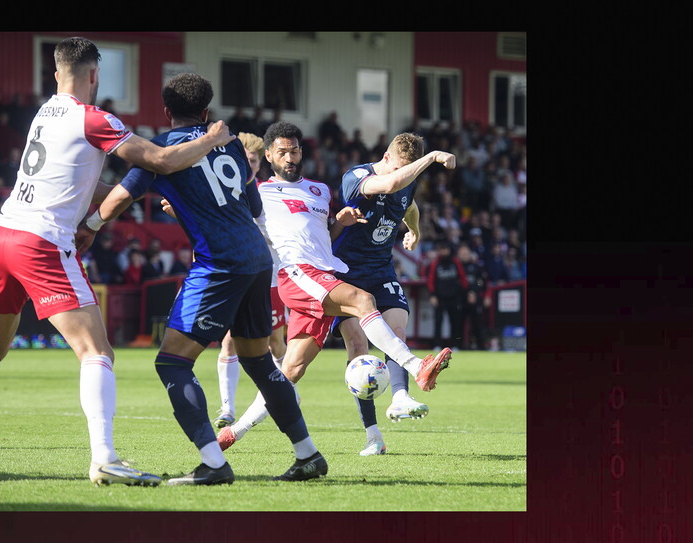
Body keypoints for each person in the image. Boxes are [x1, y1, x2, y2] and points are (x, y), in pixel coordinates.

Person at [0, 37, 235, 487]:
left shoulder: (42, 114)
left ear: (55, 73)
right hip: (40, 243)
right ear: (94, 75)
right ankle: (105, 457)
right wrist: (212, 139)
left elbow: (77, 181)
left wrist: (104, 210)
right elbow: (161, 160)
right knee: (98, 352)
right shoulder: (94, 118)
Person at [75, 73, 327, 485]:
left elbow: (124, 193)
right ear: (206, 112)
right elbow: (249, 201)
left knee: (172, 362)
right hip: (256, 257)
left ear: (167, 111)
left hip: (219, 262)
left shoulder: (162, 148)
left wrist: (91, 225)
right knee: (259, 361)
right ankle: (308, 454)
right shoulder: (226, 142)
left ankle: (214, 464)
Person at [217, 123, 455, 455]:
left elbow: (325, 240)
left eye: (295, 150)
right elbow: (222, 215)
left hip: (323, 272)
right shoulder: (259, 193)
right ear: (269, 155)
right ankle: (416, 367)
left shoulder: (319, 191)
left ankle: (234, 432)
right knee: (362, 299)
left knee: (291, 370)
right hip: (297, 274)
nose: (290, 156)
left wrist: (339, 223)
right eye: (282, 151)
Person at [209, 132, 288, 430]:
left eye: (251, 160)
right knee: (229, 340)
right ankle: (227, 409)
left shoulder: (268, 193)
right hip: (237, 274)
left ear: (259, 162)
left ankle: (282, 391)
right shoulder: (223, 190)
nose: (246, 165)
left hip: (269, 276)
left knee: (274, 341)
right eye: (243, 159)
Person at [425, 239, 468, 350]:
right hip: (440, 297)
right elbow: (431, 280)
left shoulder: (455, 262)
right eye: (441, 249)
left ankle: (456, 345)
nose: (443, 252)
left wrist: (463, 293)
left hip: (454, 297)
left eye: (445, 249)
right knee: (438, 322)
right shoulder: (435, 264)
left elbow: (463, 278)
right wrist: (432, 295)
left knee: (455, 322)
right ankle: (437, 345)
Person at [457, 243, 489, 350]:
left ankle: (480, 346)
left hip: (475, 299)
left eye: (466, 253)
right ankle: (459, 346)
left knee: (477, 324)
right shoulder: (456, 266)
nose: (464, 255)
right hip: (460, 298)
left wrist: (474, 292)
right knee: (459, 323)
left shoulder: (476, 267)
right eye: (462, 253)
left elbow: (482, 282)